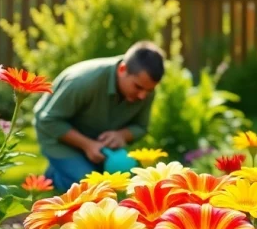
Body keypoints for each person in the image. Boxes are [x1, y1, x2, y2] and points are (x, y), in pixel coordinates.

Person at [34, 41, 165, 189]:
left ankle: (75, 167)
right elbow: (48, 121)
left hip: (99, 144)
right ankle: (52, 176)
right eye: (138, 87)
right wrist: (87, 145)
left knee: (130, 181)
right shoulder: (83, 81)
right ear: (122, 69)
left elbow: (141, 127)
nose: (143, 96)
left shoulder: (145, 88)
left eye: (148, 91)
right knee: (91, 187)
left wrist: (122, 135)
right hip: (58, 139)